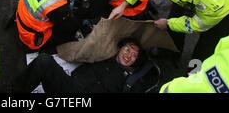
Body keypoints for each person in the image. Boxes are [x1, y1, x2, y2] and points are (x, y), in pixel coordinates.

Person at [12, 38, 155, 93]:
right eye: (128, 49)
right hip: (69, 88)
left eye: (134, 55)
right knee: (44, 60)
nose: (129, 55)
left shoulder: (128, 82)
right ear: (120, 48)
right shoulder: (102, 54)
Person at [161, 23, 229, 93]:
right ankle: (192, 71)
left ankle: (191, 72)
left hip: (220, 13)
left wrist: (170, 23)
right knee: (203, 52)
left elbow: (200, 23)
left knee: (203, 50)